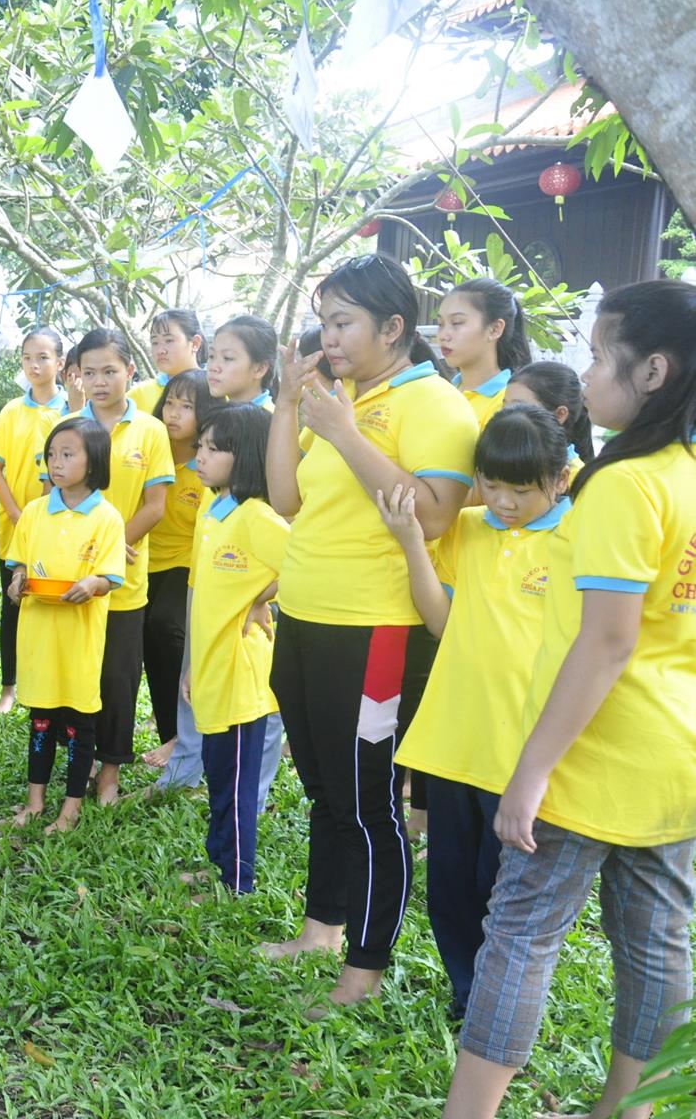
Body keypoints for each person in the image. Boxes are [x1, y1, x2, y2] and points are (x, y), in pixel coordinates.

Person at [443, 280, 696, 1119]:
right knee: (655, 946)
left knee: (518, 936)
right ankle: (627, 1109)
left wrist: (530, 771)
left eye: (597, 356)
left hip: (589, 756)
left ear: (652, 371)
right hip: (672, 755)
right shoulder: (686, 474)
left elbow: (606, 641)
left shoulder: (623, 484)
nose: (584, 377)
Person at [263, 253, 478, 1015]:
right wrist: (287, 406)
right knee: (325, 790)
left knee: (367, 802)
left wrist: (345, 433)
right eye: (323, 322)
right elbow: (285, 498)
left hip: (377, 630)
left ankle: (364, 969)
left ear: (392, 328)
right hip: (304, 617)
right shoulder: (339, 399)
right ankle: (320, 931)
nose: (328, 337)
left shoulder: (435, 405)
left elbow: (434, 514)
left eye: (342, 322)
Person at [380, 405, 571, 1020]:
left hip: (520, 752)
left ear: (561, 479)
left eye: (523, 490)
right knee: (451, 888)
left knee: (503, 889)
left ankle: (497, 1003)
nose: (504, 502)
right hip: (452, 739)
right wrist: (413, 541)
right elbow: (439, 621)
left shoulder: (579, 539)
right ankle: (468, 995)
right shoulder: (467, 528)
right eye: (492, 484)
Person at [1, 417, 126, 834]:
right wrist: (18, 583)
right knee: (40, 720)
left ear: (95, 461)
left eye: (67, 454)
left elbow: (110, 577)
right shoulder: (34, 512)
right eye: (51, 454)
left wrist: (93, 583)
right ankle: (35, 802)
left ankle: (70, 809)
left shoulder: (107, 518)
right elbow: (19, 565)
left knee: (79, 724)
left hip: (80, 642)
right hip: (38, 638)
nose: (56, 463)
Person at [185, 404, 287, 895]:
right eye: (200, 446)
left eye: (213, 449)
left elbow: (305, 564)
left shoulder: (256, 516)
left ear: (244, 454)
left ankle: (237, 880)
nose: (199, 457)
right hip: (211, 668)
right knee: (218, 774)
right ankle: (218, 860)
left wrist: (261, 599)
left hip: (241, 672)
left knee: (238, 784)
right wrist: (191, 667)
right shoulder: (213, 510)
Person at [74, 328, 174, 804]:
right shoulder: (70, 425)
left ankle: (110, 771)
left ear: (130, 372)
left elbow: (156, 505)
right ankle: (81, 762)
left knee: (118, 678)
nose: (99, 381)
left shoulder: (151, 431)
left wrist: (114, 548)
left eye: (109, 371)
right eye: (89, 372)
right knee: (79, 675)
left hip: (124, 580)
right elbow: (54, 497)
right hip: (74, 578)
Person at [0, 328, 71, 717]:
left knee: (52, 605)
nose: (34, 365)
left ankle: (49, 687)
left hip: (60, 529)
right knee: (13, 602)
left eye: (43, 357)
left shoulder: (71, 411)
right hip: (14, 527)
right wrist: (19, 516)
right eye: (27, 358)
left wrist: (40, 518)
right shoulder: (11, 411)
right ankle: (9, 689)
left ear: (60, 363)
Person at [139, 370, 214, 771]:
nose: (174, 413)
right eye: (170, 403)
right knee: (145, 640)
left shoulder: (208, 463)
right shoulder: (149, 449)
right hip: (141, 558)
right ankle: (169, 731)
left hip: (185, 562)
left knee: (166, 628)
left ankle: (179, 736)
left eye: (187, 406)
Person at [438, 277, 533, 429]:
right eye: (440, 324)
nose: (443, 335)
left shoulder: (509, 402)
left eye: (457, 323)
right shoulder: (441, 391)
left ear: (495, 329)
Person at [505, 360, 595, 482]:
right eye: (504, 405)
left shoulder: (579, 479)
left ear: (559, 415)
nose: (504, 414)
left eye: (518, 407)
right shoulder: (501, 453)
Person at [130, 308, 204, 414]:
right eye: (155, 342)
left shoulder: (215, 390)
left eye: (169, 341)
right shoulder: (138, 396)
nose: (160, 350)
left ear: (195, 343)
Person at [206, 314, 279, 407]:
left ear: (260, 369)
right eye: (211, 356)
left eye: (227, 358)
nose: (213, 367)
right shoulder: (219, 407)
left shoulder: (272, 415)